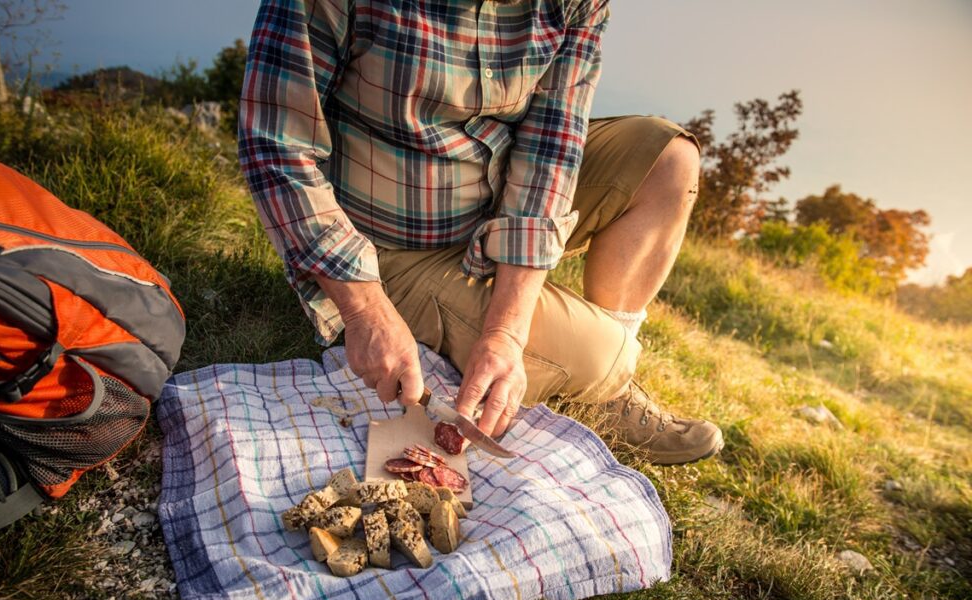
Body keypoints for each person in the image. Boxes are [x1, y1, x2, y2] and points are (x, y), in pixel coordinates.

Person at [238, 0, 723, 465]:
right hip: (389, 245)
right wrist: (364, 309)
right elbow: (278, 145)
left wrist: (506, 332)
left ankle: (600, 379)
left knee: (669, 161)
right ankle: (596, 366)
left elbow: (549, 156)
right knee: (602, 355)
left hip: (494, 197)